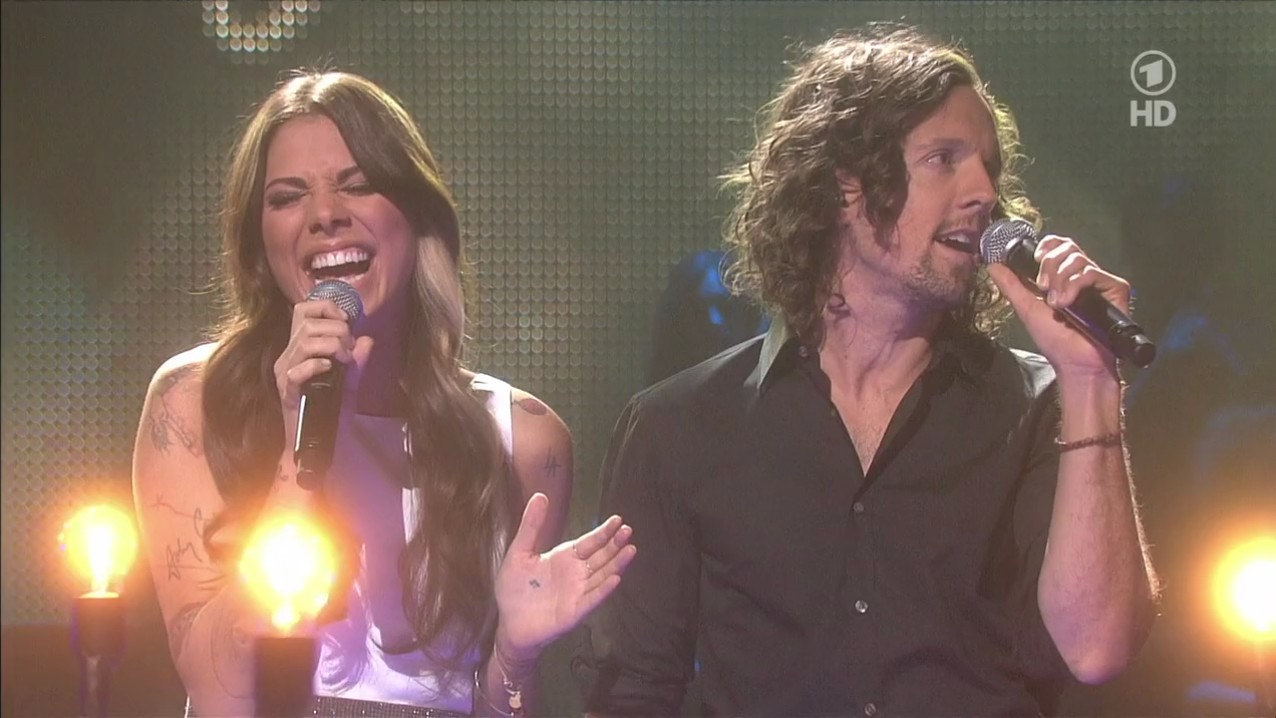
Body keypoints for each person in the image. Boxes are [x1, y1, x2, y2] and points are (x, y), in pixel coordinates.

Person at [574, 25, 1159, 716]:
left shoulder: (1040, 405)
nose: (983, 192)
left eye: (990, 167)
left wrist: (1090, 381)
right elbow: (636, 689)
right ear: (844, 185)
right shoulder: (680, 425)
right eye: (944, 159)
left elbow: (1097, 649)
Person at [132, 70, 636, 718]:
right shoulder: (195, 405)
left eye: (357, 184)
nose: (324, 216)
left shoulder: (522, 441)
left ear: (415, 212)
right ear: (260, 238)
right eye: (288, 197)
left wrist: (515, 654)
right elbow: (220, 697)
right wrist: (296, 452)